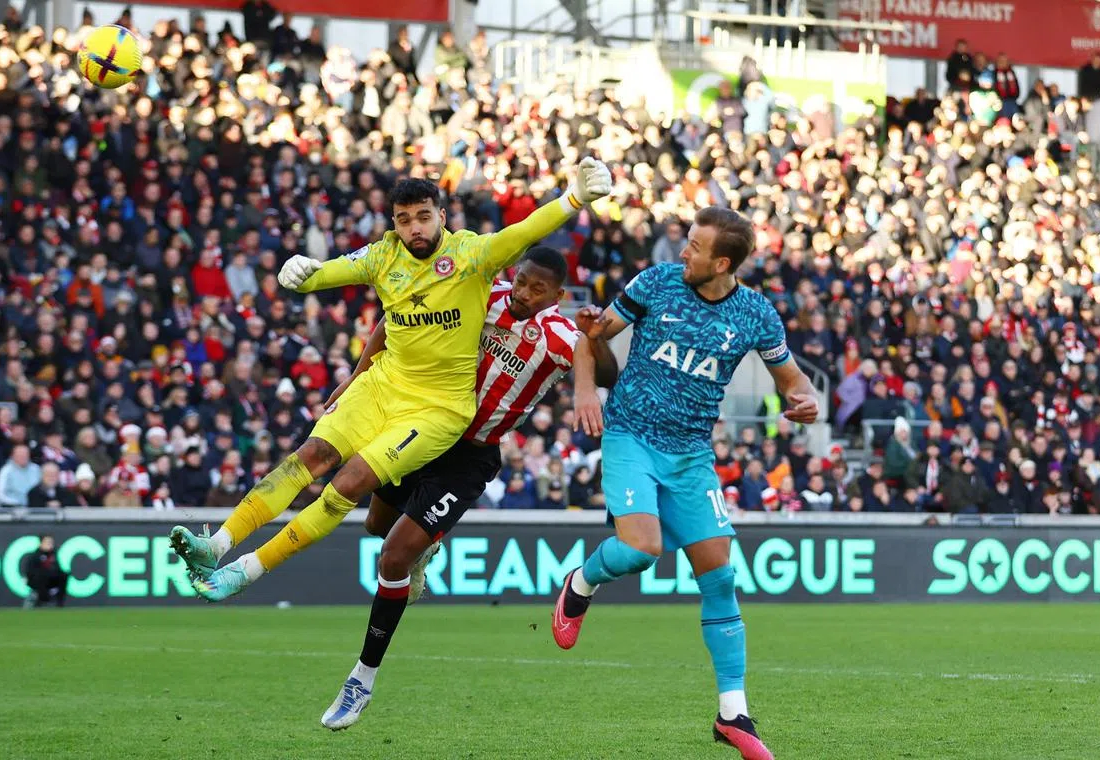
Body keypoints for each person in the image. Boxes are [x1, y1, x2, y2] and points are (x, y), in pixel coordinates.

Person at [170, 159, 613, 604]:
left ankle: (245, 572)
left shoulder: (472, 256)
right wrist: (303, 274)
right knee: (310, 456)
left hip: (439, 409)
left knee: (348, 484)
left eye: (423, 216)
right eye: (404, 220)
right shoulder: (384, 256)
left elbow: (525, 231)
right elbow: (331, 275)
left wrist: (573, 199)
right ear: (394, 223)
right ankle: (218, 545)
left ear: (441, 216)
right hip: (383, 385)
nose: (414, 228)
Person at [550, 207, 819, 760]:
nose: (683, 252)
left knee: (720, 579)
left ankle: (732, 714)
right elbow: (589, 337)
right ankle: (581, 581)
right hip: (630, 435)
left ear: (722, 262)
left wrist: (806, 400)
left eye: (695, 247)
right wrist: (583, 392)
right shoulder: (655, 283)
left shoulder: (755, 315)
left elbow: (793, 379)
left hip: (691, 456)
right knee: (642, 550)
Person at [319, 246, 618, 730]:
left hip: (470, 456)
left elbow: (605, 372)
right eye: (521, 281)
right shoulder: (482, 297)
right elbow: (399, 320)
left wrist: (594, 337)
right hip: (420, 426)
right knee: (376, 525)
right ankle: (425, 548)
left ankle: (361, 679)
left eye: (537, 290)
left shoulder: (562, 337)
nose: (523, 294)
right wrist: (357, 380)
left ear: (558, 296)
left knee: (391, 558)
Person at [23, 535, 67, 607]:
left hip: (50, 580)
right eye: (47, 542)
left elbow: (58, 569)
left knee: (64, 575)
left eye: (51, 542)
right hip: (37, 581)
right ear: (41, 543)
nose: (50, 544)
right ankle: (42, 600)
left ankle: (59, 602)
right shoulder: (35, 555)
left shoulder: (53, 555)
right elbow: (30, 572)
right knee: (41, 576)